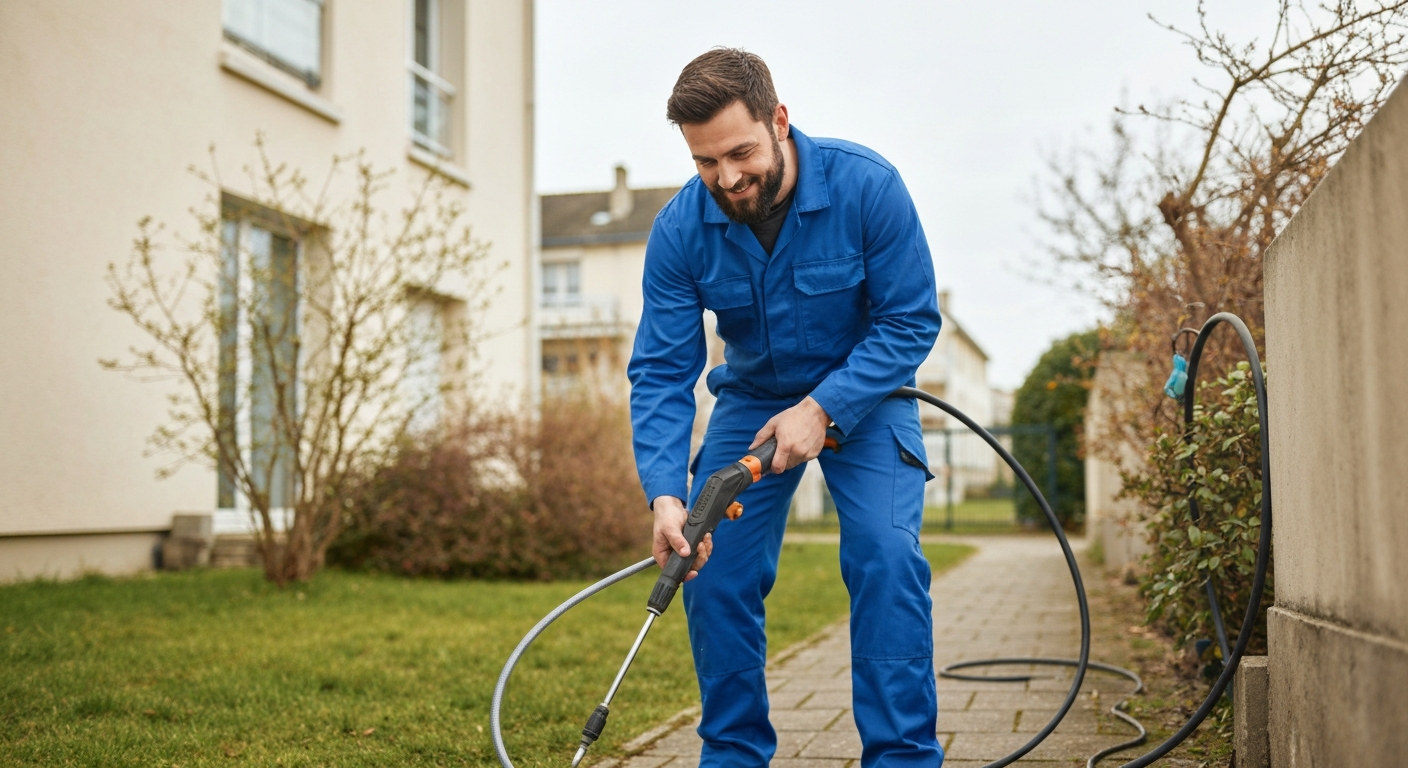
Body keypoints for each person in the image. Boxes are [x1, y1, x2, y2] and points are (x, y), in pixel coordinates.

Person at [627, 48, 944, 767]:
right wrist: (666, 496)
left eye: (740, 153)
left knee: (886, 556)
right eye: (706, 162)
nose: (727, 179)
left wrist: (824, 407)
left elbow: (910, 321)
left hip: (866, 396)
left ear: (778, 121)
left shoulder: (868, 187)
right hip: (751, 402)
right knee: (710, 567)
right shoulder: (679, 231)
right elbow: (662, 371)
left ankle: (902, 758)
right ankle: (734, 755)